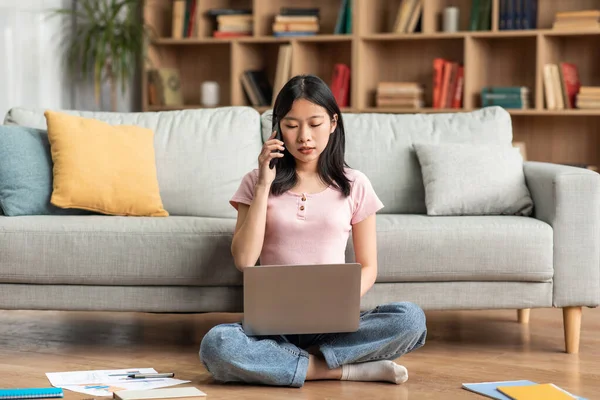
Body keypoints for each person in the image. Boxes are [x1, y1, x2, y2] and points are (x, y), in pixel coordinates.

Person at [199, 74, 427, 388]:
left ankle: (288, 364)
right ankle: (342, 369)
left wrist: (338, 302)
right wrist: (265, 184)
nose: (304, 137)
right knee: (217, 344)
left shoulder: (355, 184)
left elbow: (369, 265)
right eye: (292, 126)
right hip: (272, 326)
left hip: (333, 324)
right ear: (278, 128)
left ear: (333, 123)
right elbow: (245, 261)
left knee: (411, 318)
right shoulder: (255, 182)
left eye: (315, 124)